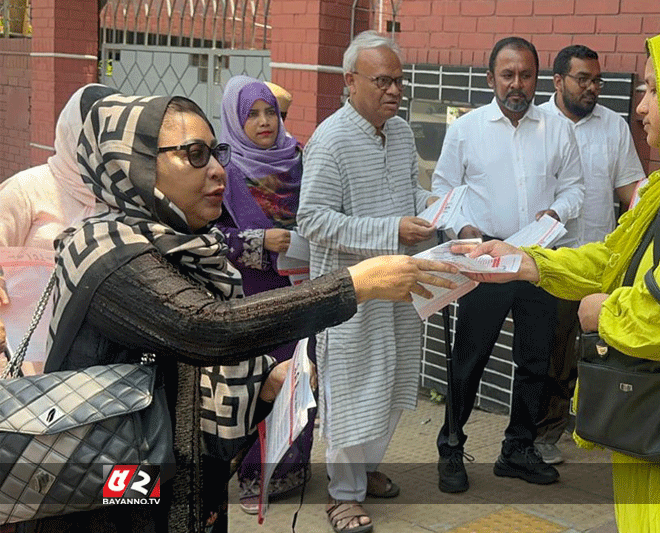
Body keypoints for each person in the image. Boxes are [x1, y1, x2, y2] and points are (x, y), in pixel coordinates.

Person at [33, 93, 456, 533]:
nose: (217, 169)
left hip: (175, 474)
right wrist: (356, 284)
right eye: (194, 155)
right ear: (133, 164)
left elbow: (194, 376)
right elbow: (204, 327)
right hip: (110, 480)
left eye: (215, 152)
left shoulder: (189, 245)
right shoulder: (106, 251)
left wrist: (266, 385)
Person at [454, 22, 660, 532]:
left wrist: (599, 311)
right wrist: (528, 261)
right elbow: (614, 255)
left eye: (656, 90)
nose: (641, 107)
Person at [295, 30, 437, 533]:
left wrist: (437, 213)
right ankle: (343, 494)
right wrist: (389, 230)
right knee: (352, 389)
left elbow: (409, 192)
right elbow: (311, 220)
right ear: (350, 81)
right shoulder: (331, 139)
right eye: (383, 81)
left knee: (393, 379)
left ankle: (366, 469)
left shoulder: (398, 133)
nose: (394, 91)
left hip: (399, 283)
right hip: (350, 292)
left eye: (399, 81)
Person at [429, 36, 584, 494]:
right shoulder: (467, 129)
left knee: (536, 360)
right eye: (508, 75)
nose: (517, 84)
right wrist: (464, 232)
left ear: (539, 77)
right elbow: (442, 192)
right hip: (485, 264)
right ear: (491, 78)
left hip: (536, 262)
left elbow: (574, 189)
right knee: (469, 360)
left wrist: (557, 214)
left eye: (526, 75)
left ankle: (517, 449)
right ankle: (451, 448)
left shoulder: (558, 129)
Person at [533, 44, 646, 465]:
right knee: (546, 353)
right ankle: (536, 433)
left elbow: (630, 189)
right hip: (548, 259)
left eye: (597, 80)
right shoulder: (535, 123)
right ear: (559, 81)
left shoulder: (614, 126)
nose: (592, 88)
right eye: (583, 79)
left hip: (598, 258)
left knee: (586, 350)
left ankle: (570, 428)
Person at [215, 75, 309, 512]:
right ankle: (251, 473)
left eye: (269, 111)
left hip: (301, 287)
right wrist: (257, 240)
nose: (264, 121)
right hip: (249, 294)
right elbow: (207, 235)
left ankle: (290, 468)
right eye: (251, 114)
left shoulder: (299, 159)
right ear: (235, 118)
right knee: (258, 382)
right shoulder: (222, 170)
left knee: (299, 374)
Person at [0, 83, 119, 369]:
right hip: (30, 359)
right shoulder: (28, 189)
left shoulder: (124, 196)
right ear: (71, 131)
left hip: (102, 358)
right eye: (91, 132)